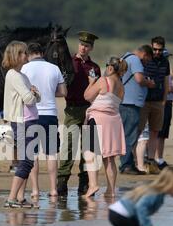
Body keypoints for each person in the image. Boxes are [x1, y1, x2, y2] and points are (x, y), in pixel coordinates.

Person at [57, 31, 101, 197]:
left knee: (88, 147)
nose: (84, 47)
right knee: (69, 144)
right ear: (78, 45)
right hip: (72, 108)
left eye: (87, 45)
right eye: (82, 44)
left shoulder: (94, 67)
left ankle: (84, 181)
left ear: (91, 48)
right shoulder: (69, 63)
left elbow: (99, 90)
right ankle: (62, 181)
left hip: (90, 109)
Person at [21, 43, 67, 198]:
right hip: (50, 114)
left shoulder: (24, 68)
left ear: (29, 54)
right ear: (42, 52)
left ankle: (35, 190)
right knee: (51, 153)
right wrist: (48, 92)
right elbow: (63, 92)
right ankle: (53, 189)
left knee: (32, 154)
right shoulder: (54, 68)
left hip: (31, 114)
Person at [2, 41, 41, 208]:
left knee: (28, 160)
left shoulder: (22, 75)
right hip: (22, 121)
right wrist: (34, 94)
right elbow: (29, 98)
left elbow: (36, 97)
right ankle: (11, 198)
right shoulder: (14, 75)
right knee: (26, 161)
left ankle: (20, 198)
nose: (26, 56)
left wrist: (34, 94)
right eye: (23, 53)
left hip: (30, 119)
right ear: (15, 56)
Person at [83, 57, 127, 198]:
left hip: (98, 118)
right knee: (109, 157)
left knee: (90, 152)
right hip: (113, 121)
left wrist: (92, 83)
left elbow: (87, 96)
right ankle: (111, 190)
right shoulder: (121, 86)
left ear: (110, 68)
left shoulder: (103, 80)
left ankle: (93, 185)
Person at [119, 45, 155, 175]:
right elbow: (139, 79)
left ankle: (127, 163)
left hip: (126, 101)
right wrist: (149, 83)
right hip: (130, 103)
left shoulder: (125, 57)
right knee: (130, 135)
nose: (146, 63)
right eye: (147, 60)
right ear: (145, 54)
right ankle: (126, 165)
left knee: (127, 133)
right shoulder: (135, 60)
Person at [138, 36, 170, 173]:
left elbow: (166, 82)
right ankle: (135, 162)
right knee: (139, 132)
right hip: (144, 101)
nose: (157, 52)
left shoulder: (165, 62)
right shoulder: (145, 60)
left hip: (158, 101)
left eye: (160, 50)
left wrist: (164, 100)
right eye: (155, 49)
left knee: (155, 132)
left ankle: (151, 161)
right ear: (151, 47)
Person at [155, 49, 173, 169]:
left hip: (168, 102)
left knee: (163, 133)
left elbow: (170, 79)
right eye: (166, 57)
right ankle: (156, 158)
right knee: (158, 132)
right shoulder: (159, 69)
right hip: (161, 103)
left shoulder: (167, 69)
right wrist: (172, 89)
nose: (168, 59)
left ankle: (160, 158)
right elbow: (162, 86)